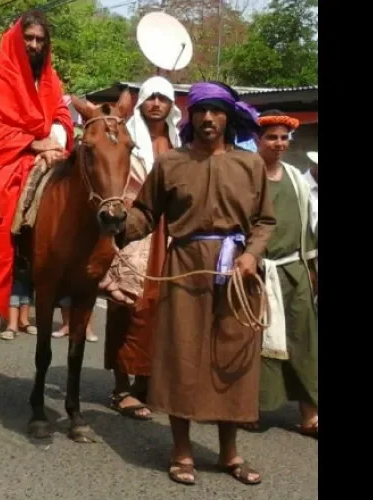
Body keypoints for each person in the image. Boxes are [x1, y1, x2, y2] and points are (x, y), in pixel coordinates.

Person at [116, 81, 275, 486]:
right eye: (201, 111)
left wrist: (251, 255)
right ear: (190, 117)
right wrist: (120, 223)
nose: (208, 118)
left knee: (232, 359)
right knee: (182, 357)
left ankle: (229, 453)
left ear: (228, 116)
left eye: (216, 111)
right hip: (184, 265)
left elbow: (264, 222)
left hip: (238, 272)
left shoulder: (250, 164)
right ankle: (182, 451)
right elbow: (146, 213)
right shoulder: (170, 163)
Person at [0, 10, 74, 332]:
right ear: (17, 39)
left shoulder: (52, 78)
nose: (34, 44)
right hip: (8, 157)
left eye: (40, 40)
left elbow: (62, 114)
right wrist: (32, 142)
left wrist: (55, 137)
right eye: (28, 38)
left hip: (52, 150)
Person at [102, 76, 182, 420]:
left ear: (171, 106)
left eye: (164, 98)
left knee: (161, 309)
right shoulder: (127, 141)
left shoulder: (178, 144)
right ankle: (121, 386)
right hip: (134, 230)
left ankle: (146, 383)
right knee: (128, 304)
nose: (157, 104)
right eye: (151, 97)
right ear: (142, 102)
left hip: (170, 235)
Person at [250, 110, 318, 437]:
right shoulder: (247, 175)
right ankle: (252, 408)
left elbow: (307, 227)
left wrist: (311, 269)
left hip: (295, 270)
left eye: (283, 138)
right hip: (257, 272)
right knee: (256, 342)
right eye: (271, 137)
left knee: (304, 340)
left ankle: (310, 415)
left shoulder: (295, 177)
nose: (278, 143)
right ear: (257, 140)